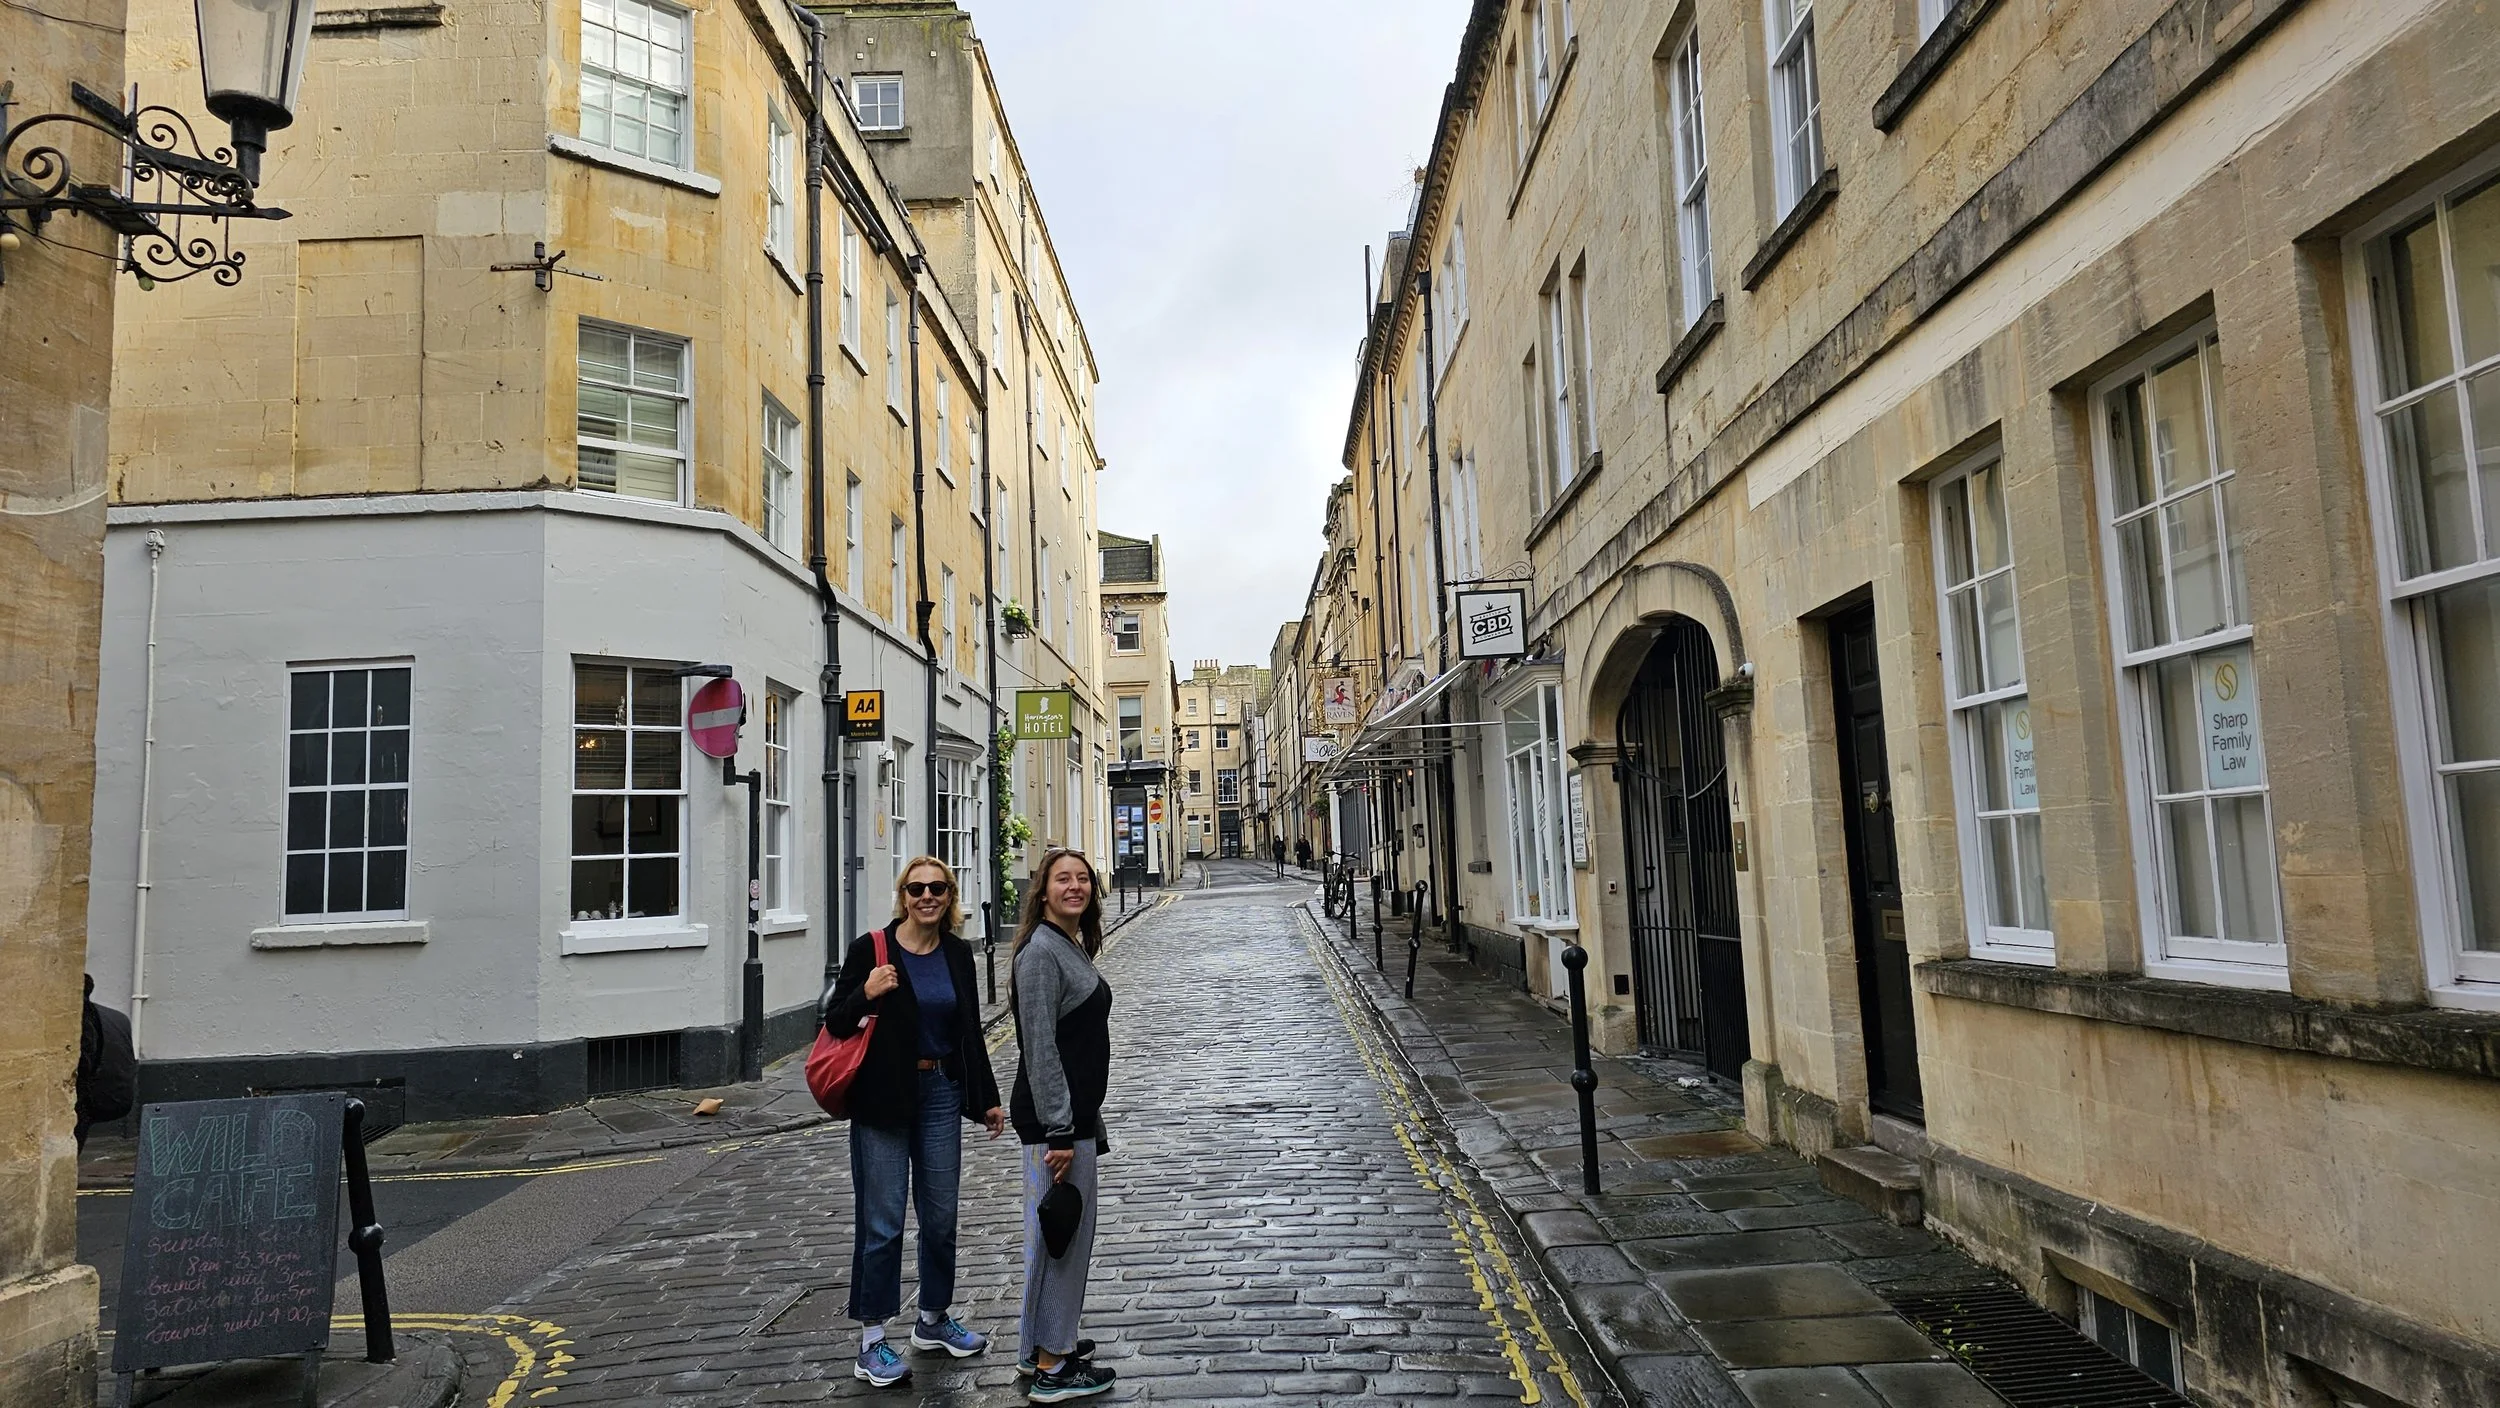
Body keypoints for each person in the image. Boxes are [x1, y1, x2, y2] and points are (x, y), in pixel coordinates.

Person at [822, 856, 1005, 1389]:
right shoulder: (871, 949)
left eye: (939, 889)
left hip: (942, 1093)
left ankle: (932, 1320)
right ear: (903, 895)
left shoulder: (955, 954)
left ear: (950, 898)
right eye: (917, 888)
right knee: (883, 1223)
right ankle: (872, 1341)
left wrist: (986, 1098)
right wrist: (867, 992)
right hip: (883, 1100)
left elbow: (969, 1030)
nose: (928, 896)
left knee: (942, 1216)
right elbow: (835, 1021)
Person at [1011, 848, 1117, 1403]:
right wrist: (1059, 1133)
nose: (1074, 887)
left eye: (1082, 879)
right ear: (1043, 891)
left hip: (1073, 1119)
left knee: (1053, 1236)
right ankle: (1054, 1367)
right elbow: (1040, 1049)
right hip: (1057, 1125)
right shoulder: (1041, 955)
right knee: (1064, 1241)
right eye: (1062, 879)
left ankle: (1041, 1346)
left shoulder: (1065, 945)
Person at [76, 973, 136, 1148]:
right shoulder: (117, 1017)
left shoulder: (84, 1018)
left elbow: (84, 1064)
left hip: (86, 1098)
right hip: (110, 1094)